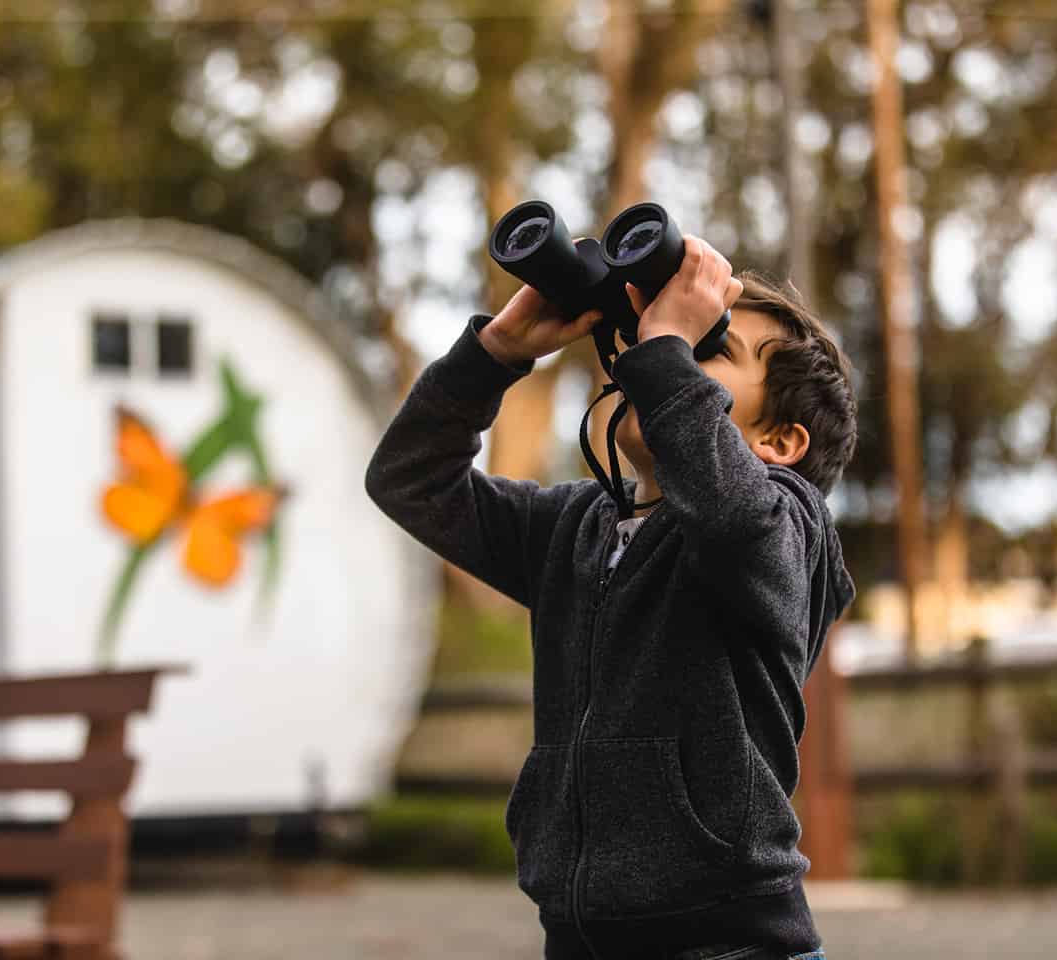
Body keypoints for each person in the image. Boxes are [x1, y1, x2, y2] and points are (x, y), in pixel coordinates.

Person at [365, 234, 858, 960]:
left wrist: (663, 353)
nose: (659, 357)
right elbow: (411, 480)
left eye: (709, 346)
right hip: (579, 942)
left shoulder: (789, 526)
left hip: (733, 946)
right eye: (659, 340)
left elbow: (729, 516)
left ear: (779, 442)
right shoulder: (573, 526)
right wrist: (498, 352)